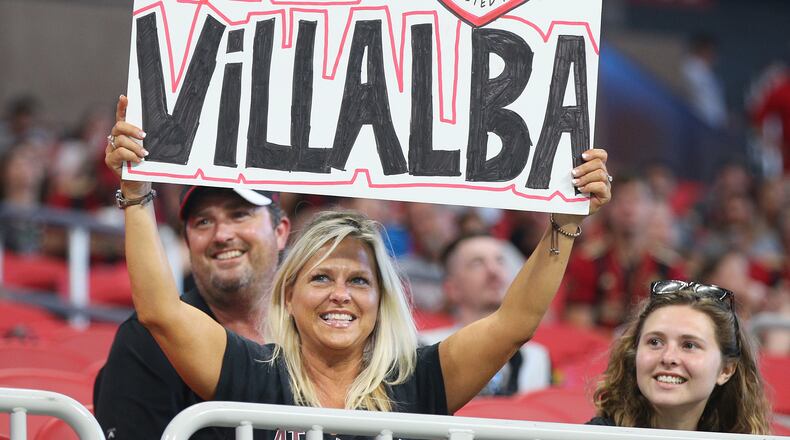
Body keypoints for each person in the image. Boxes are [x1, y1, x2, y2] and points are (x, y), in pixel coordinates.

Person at [105, 95, 610, 438]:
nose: (340, 294)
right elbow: (159, 312)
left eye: (359, 281)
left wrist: (563, 226)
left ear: (381, 300)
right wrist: (135, 193)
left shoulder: (418, 381)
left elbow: (513, 323)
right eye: (321, 277)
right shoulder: (256, 374)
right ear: (288, 297)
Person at [93, 96, 291, 440]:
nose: (222, 234)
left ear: (281, 231)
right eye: (202, 222)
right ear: (187, 239)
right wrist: (137, 191)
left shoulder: (322, 336)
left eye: (239, 214)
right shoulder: (146, 342)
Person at [589, 280, 771, 434]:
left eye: (689, 345)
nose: (668, 357)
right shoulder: (595, 436)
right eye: (655, 342)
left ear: (726, 370)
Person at [419, 233, 551, 395]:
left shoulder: (535, 357)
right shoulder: (426, 348)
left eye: (500, 261)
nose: (494, 271)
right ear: (452, 289)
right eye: (477, 263)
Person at [563, 175, 686, 330]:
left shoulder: (669, 265)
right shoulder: (587, 260)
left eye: (636, 200)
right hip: (597, 348)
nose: (628, 209)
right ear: (608, 207)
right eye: (621, 201)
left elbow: (677, 323)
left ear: (651, 208)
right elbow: (578, 325)